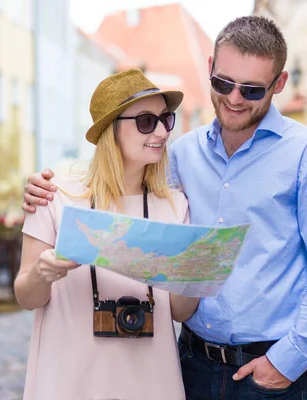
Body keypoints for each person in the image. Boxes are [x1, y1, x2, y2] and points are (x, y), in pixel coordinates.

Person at [22, 16, 307, 400]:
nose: (234, 98)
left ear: (279, 84)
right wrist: (46, 187)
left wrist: (287, 361)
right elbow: (122, 175)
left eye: (251, 90)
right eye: (223, 83)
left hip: (266, 375)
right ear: (211, 66)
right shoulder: (181, 154)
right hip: (188, 365)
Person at [15, 68, 200, 400]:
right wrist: (43, 273)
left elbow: (180, 312)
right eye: (146, 121)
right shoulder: (55, 195)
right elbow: (27, 297)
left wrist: (198, 275)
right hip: (69, 381)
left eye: (165, 119)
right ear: (111, 129)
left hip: (149, 383)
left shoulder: (174, 205)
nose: (160, 131)